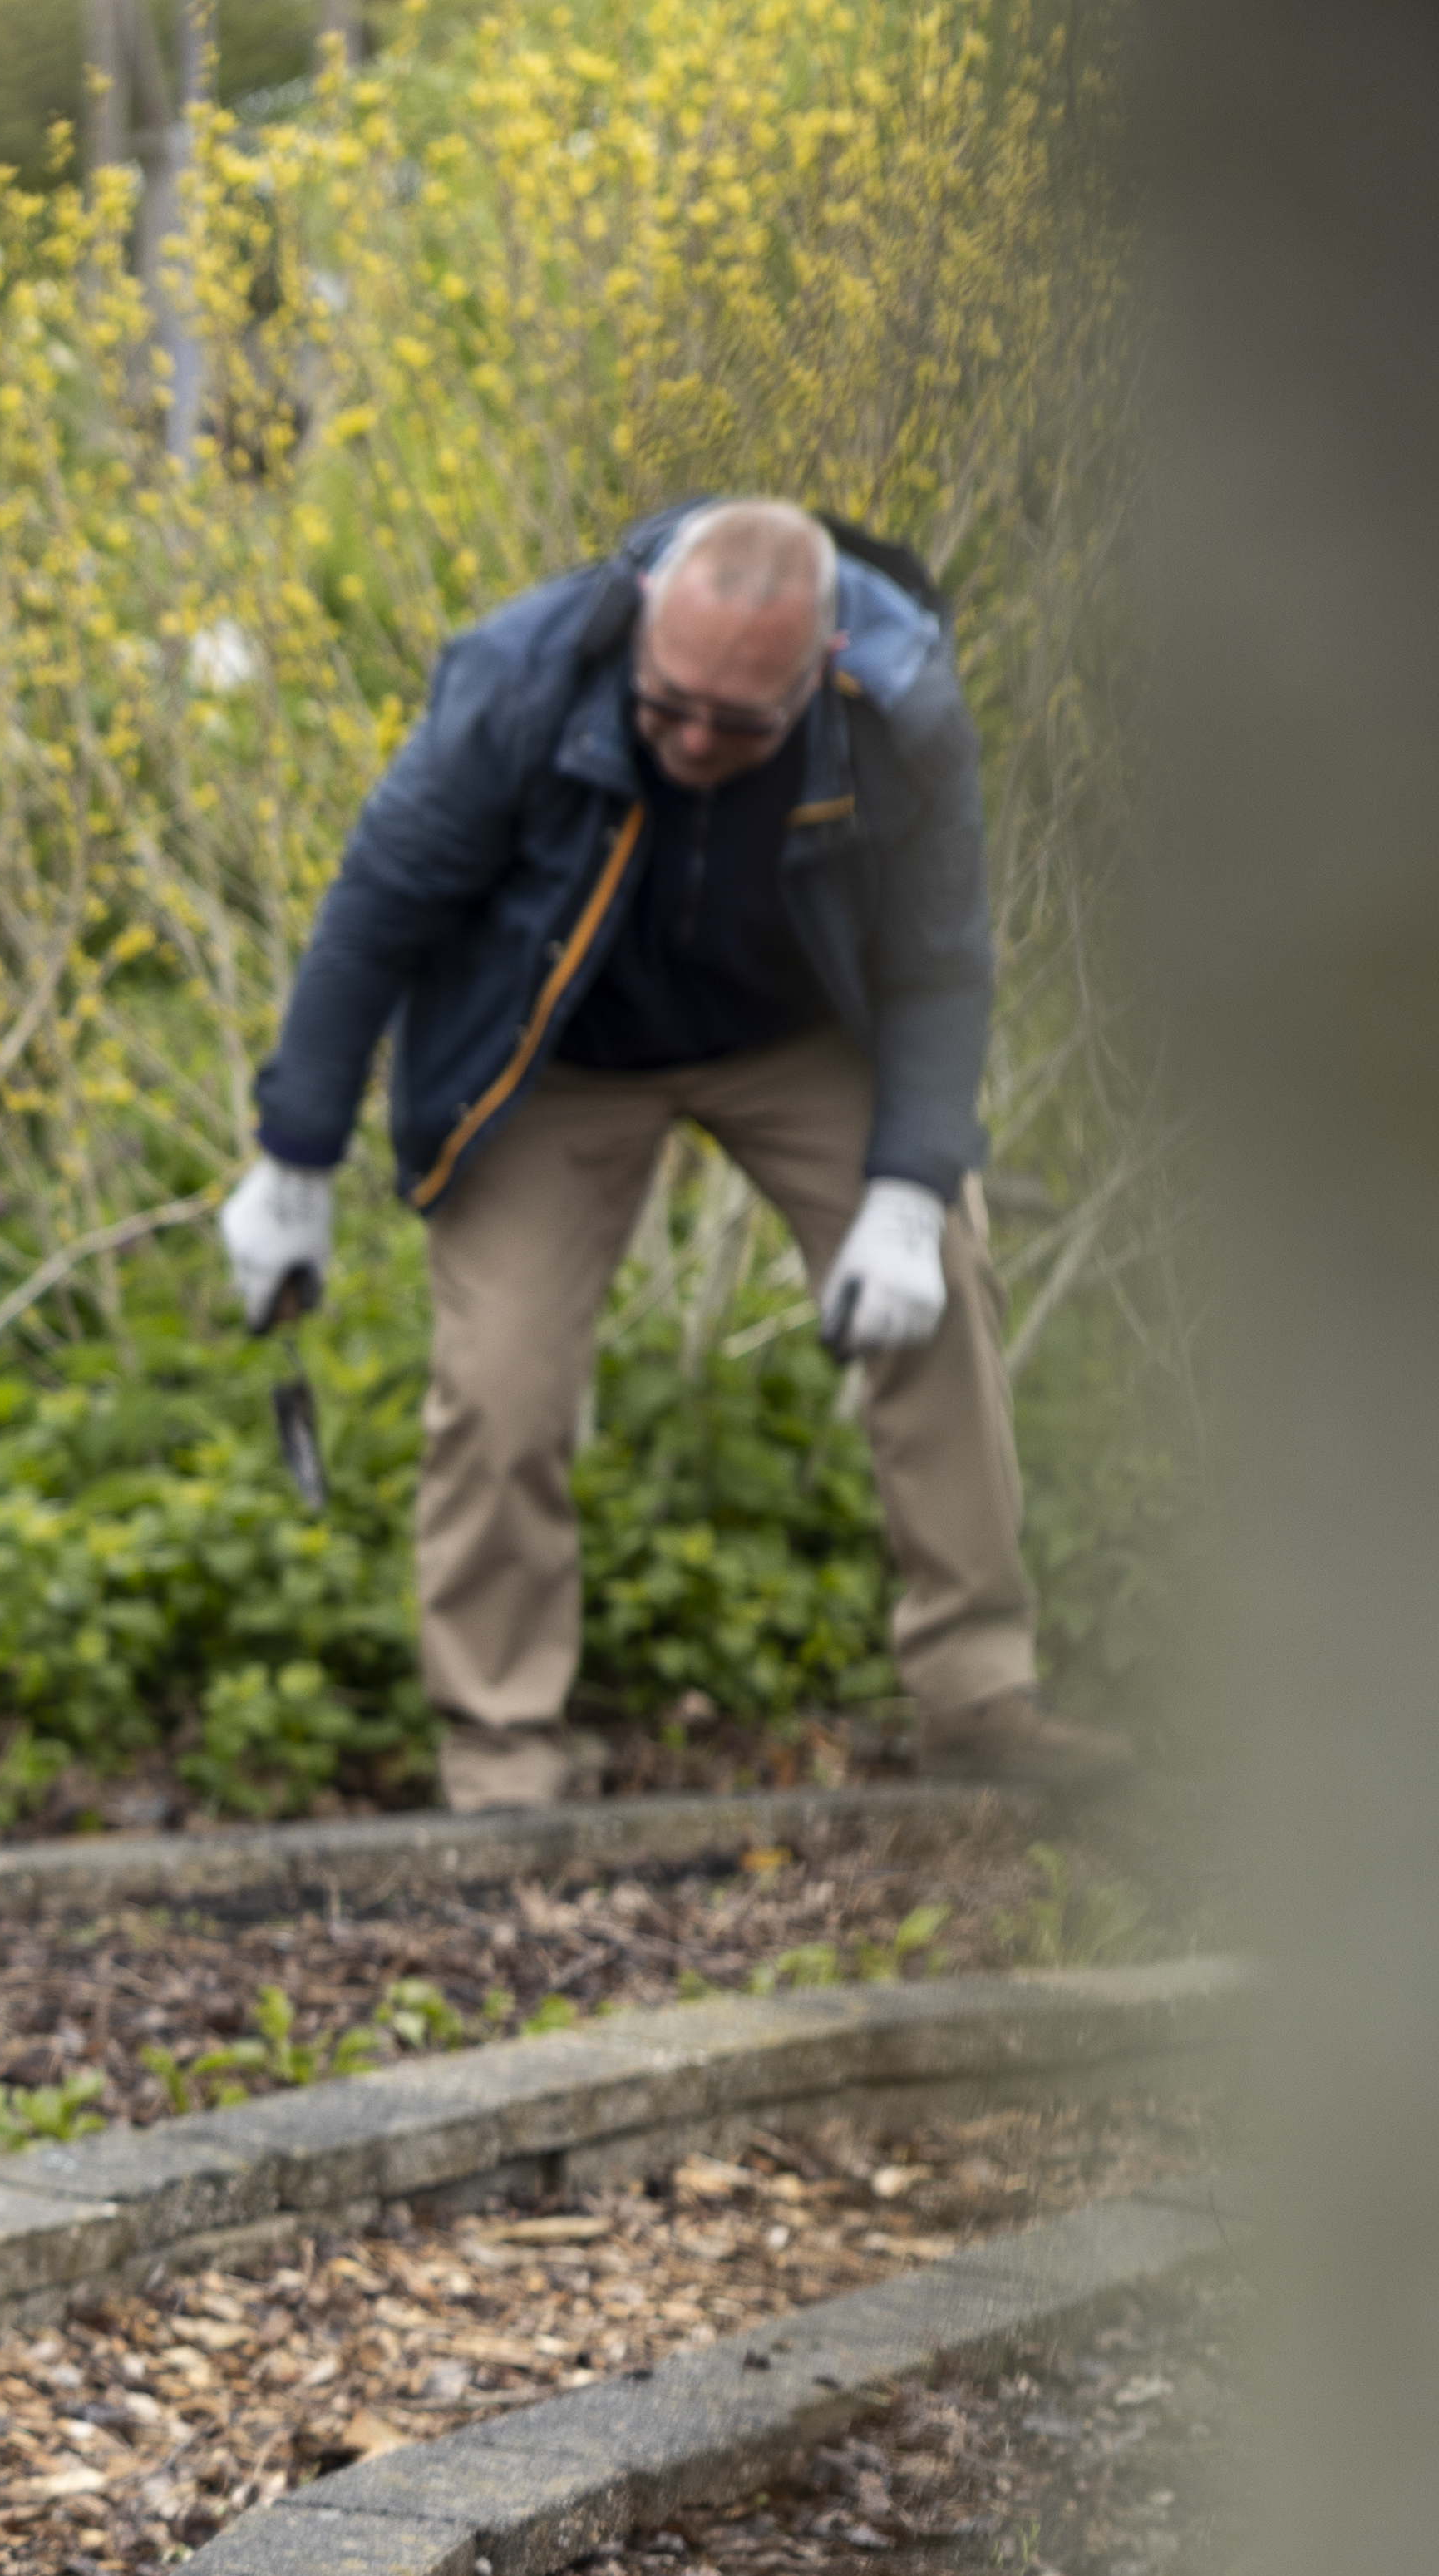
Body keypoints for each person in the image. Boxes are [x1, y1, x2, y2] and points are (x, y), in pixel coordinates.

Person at [221, 495, 1123, 1809]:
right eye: (671, 705)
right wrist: (293, 1157)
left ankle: (980, 1692)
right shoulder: (521, 676)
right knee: (501, 1379)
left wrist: (909, 1189)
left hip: (796, 1035)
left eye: (740, 723)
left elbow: (939, 965)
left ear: (819, 669)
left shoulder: (901, 706)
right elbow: (378, 907)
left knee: (942, 1284)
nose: (697, 740)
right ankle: (502, 1757)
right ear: (644, 624)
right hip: (552, 1049)